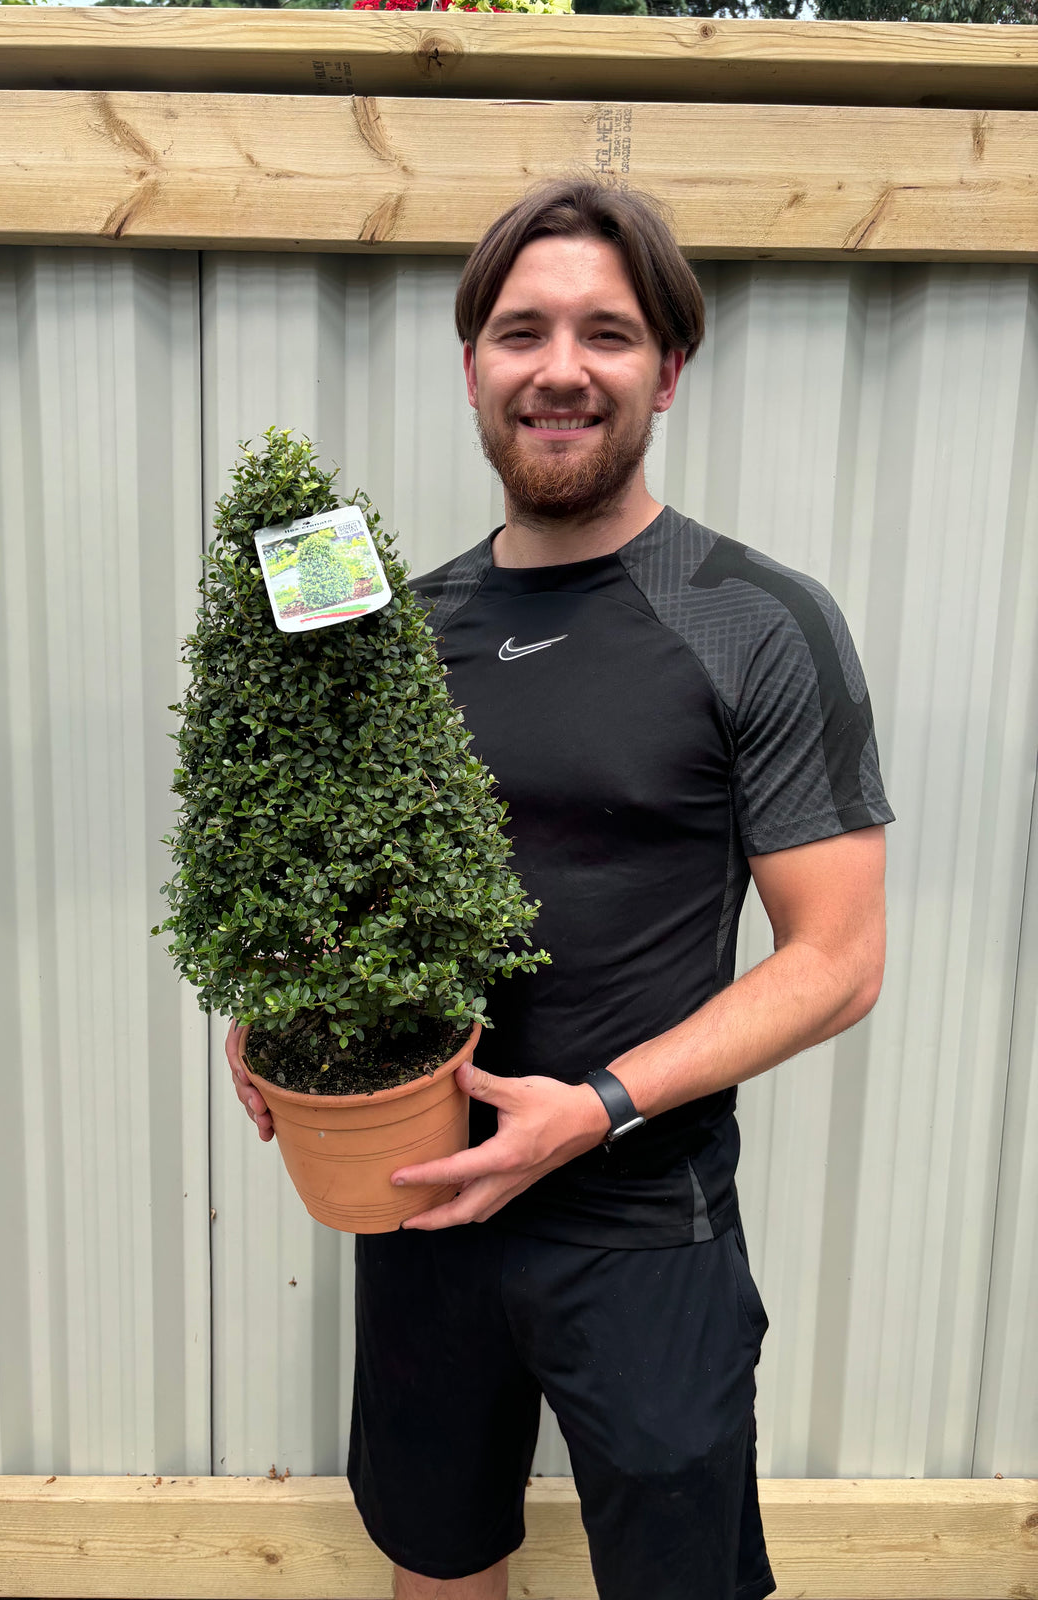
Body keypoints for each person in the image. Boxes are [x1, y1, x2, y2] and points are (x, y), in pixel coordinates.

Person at [228, 177, 893, 1600]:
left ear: (669, 369)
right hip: (419, 1202)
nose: (562, 367)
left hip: (645, 1221)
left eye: (608, 331)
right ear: (473, 365)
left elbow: (836, 958)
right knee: (438, 1558)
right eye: (522, 331)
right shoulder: (397, 629)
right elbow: (334, 873)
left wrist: (591, 1110)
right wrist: (284, 1012)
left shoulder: (757, 621)